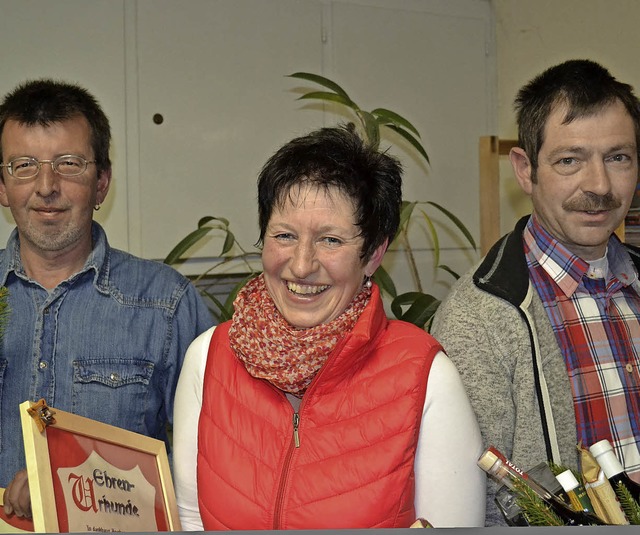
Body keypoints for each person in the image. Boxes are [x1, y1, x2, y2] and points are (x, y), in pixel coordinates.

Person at [173, 124, 486, 529]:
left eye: (331, 241)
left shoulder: (425, 377)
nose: (302, 265)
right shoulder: (208, 358)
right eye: (284, 235)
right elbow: (191, 519)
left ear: (373, 255)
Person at [431, 59, 640, 525]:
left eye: (618, 157)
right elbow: (475, 506)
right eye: (570, 160)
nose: (600, 185)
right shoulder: (479, 320)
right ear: (525, 171)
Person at [0, 79, 212, 517]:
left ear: (101, 184)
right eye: (23, 165)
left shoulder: (166, 305)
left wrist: (77, 488)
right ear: (2, 187)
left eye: (69, 164)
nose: (45, 186)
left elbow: (215, 466)